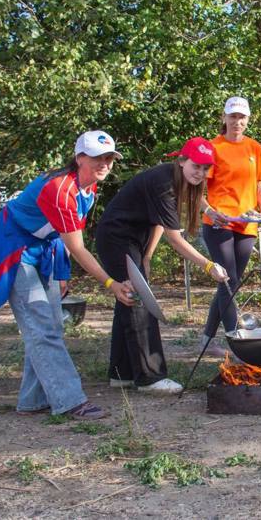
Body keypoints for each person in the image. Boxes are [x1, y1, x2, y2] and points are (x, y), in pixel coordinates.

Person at [0, 130, 133, 420]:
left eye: (109, 158)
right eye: (97, 158)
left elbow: (64, 237)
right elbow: (78, 248)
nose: (104, 163)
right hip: (12, 247)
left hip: (43, 251)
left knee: (50, 325)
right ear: (79, 158)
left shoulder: (88, 189)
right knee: (42, 325)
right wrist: (111, 284)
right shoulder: (60, 188)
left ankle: (32, 401)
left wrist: (61, 272)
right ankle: (70, 401)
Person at [95, 137, 229, 394]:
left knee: (128, 299)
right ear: (181, 161)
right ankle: (150, 378)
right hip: (116, 237)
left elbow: (158, 220)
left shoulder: (181, 181)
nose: (200, 172)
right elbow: (175, 238)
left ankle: (121, 373)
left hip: (135, 239)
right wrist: (208, 265)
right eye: (196, 166)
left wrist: (147, 255)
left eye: (205, 168)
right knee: (137, 297)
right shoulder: (163, 183)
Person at [200, 97, 261, 356]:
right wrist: (209, 210)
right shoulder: (212, 147)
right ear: (224, 118)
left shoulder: (255, 148)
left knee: (231, 282)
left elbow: (258, 186)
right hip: (219, 222)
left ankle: (207, 338)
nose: (237, 122)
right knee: (228, 279)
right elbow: (197, 187)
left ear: (248, 120)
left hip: (247, 222)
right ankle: (236, 344)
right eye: (233, 117)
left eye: (242, 117)